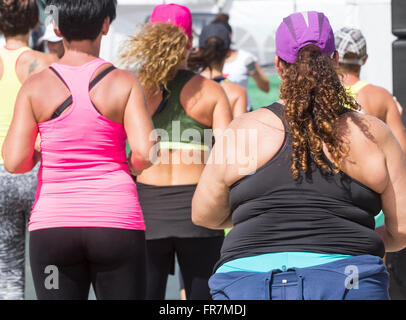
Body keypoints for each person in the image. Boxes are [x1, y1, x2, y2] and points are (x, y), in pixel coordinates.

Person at [192, 11, 406, 300]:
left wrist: (262, 219)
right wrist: (365, 241)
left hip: (246, 281)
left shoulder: (243, 130)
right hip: (348, 278)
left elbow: (204, 214)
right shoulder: (372, 134)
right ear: (334, 61)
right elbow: (402, 228)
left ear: (279, 65)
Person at [2, 0, 156, 300]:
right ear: (105, 25)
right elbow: (146, 152)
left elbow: (14, 162)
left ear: (56, 29)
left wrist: (37, 150)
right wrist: (132, 164)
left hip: (53, 230)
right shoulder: (123, 82)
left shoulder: (35, 86)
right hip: (116, 225)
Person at [119, 3, 233, 300]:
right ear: (189, 42)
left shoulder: (135, 87)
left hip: (146, 209)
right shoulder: (211, 91)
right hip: (199, 209)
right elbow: (227, 158)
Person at [0, 0, 57, 300]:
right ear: (35, 22)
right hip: (38, 171)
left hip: (1, 174)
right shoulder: (46, 65)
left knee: (7, 270)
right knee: (51, 266)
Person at [335, 27, 406, 154]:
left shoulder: (323, 95)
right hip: (371, 171)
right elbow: (401, 150)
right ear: (365, 59)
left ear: (334, 58)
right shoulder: (381, 96)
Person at [188, 22, 248, 118]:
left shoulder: (187, 87)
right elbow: (240, 131)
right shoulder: (237, 92)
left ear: (199, 49)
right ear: (228, 52)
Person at [213, 13, 270, 111]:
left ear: (229, 36)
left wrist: (253, 71)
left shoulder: (245, 58)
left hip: (242, 116)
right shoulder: (206, 59)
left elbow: (266, 87)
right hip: (215, 116)